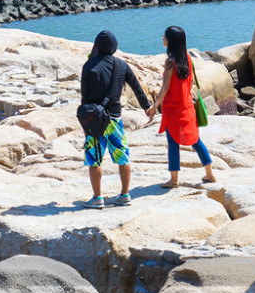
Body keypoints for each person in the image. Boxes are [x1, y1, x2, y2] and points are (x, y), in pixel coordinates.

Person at [80, 30, 152, 208]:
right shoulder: (121, 65)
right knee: (122, 156)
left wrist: (86, 121)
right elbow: (137, 86)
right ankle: (125, 194)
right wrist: (146, 107)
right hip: (114, 119)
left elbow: (85, 97)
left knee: (94, 159)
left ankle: (97, 198)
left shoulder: (89, 66)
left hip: (95, 120)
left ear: (96, 45)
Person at [146, 26, 216, 187]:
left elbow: (165, 88)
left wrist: (154, 106)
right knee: (196, 140)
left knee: (172, 144)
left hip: (173, 108)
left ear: (171, 41)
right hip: (187, 106)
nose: (162, 37)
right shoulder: (187, 58)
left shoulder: (170, 62)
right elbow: (189, 82)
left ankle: (174, 180)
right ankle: (210, 174)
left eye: (165, 36)